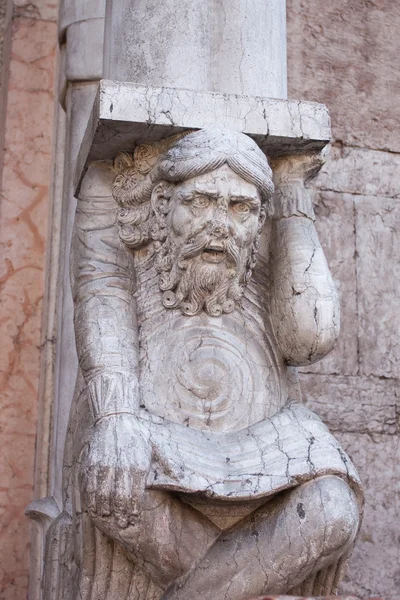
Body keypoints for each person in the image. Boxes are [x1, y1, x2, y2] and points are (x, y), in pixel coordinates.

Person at [45, 129, 362, 600]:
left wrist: (293, 199)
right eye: (201, 202)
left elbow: (310, 340)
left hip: (268, 438)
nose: (221, 225)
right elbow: (103, 299)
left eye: (241, 209)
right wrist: (115, 419)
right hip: (155, 431)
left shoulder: (262, 243)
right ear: (160, 204)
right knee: (113, 488)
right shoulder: (114, 203)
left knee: (334, 511)